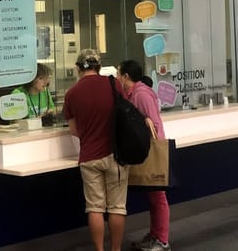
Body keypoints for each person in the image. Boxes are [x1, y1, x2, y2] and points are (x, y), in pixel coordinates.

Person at [64, 49, 128, 251]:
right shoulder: (113, 84)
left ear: (77, 68)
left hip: (89, 157)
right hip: (115, 154)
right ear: (99, 67)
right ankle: (115, 249)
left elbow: (74, 130)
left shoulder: (71, 93)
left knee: (94, 208)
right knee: (117, 207)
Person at [117, 60, 171, 251]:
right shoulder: (135, 93)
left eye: (118, 74)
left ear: (126, 76)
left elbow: (154, 125)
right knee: (154, 198)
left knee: (158, 197)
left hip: (151, 151)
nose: (117, 78)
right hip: (146, 149)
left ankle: (162, 240)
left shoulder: (141, 94)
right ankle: (155, 235)